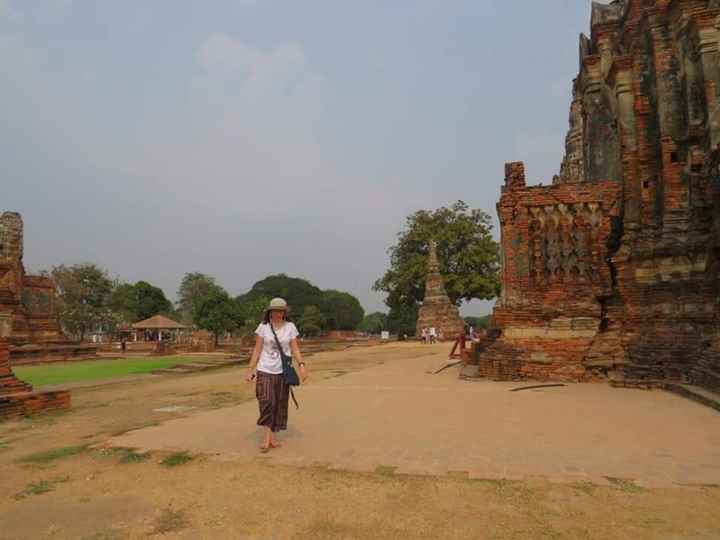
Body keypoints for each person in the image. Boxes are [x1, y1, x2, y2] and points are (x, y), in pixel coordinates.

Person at [245, 297, 307, 452]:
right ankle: (267, 439)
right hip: (265, 369)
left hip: (282, 372)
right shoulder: (263, 327)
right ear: (270, 312)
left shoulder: (290, 327)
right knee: (267, 402)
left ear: (285, 312)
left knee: (278, 404)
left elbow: (295, 349)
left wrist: (301, 365)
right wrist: (250, 369)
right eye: (275, 311)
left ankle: (270, 438)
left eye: (281, 311)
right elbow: (257, 349)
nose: (278, 314)